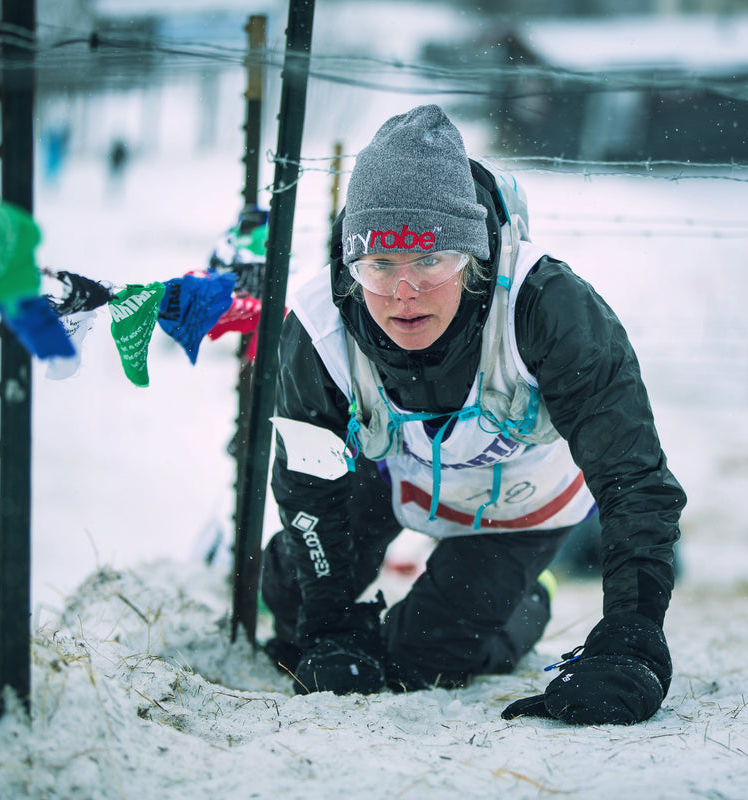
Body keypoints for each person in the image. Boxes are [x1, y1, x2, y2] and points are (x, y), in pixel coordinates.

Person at [260, 104, 686, 726]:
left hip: (517, 503)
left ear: (475, 255)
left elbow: (636, 481)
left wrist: (633, 634)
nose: (403, 292)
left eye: (431, 259)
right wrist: (327, 628)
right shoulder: (320, 323)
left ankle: (524, 602)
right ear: (352, 267)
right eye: (379, 265)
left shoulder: (549, 307)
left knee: (420, 659)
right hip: (398, 477)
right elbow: (306, 481)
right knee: (291, 597)